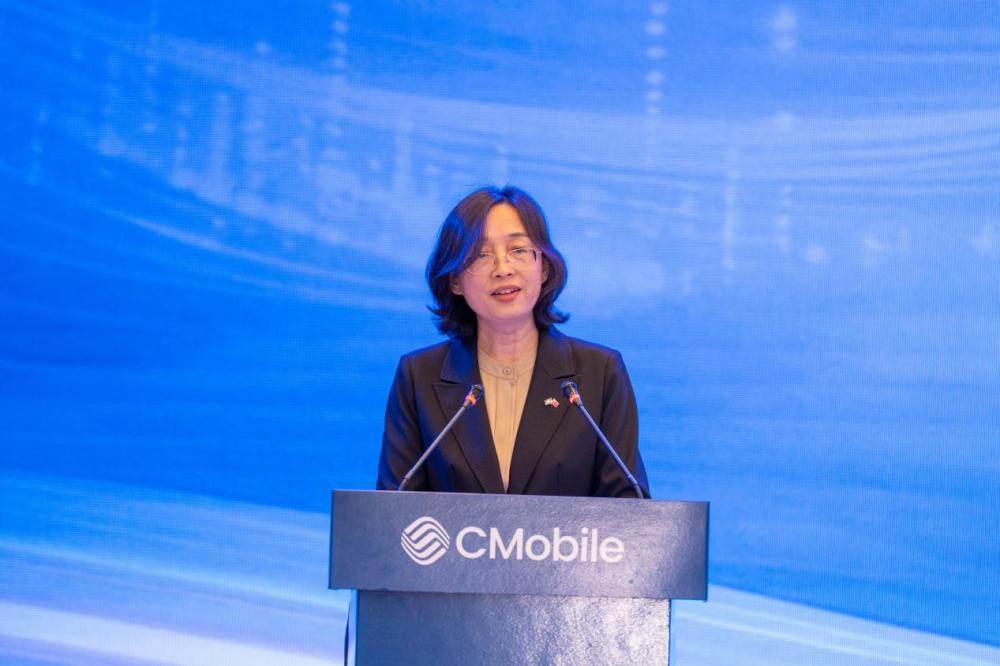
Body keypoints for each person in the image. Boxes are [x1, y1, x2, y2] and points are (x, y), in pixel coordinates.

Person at [376, 185, 649, 497]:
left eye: (518, 250)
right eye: (480, 255)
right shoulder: (418, 377)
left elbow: (628, 506)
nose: (503, 269)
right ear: (454, 280)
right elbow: (392, 509)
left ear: (544, 267)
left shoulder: (599, 373)